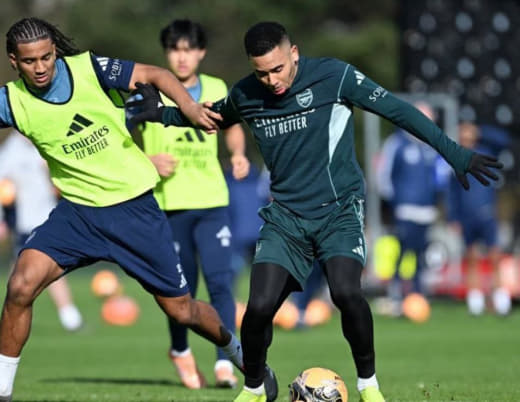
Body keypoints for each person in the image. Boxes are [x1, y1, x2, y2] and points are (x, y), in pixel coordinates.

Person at [128, 21, 502, 402]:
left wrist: (454, 153)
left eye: (278, 69)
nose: (272, 80)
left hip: (338, 212)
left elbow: (398, 111)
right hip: (285, 219)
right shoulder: (245, 93)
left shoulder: (334, 77)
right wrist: (161, 114)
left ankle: (368, 386)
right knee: (258, 309)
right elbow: (211, 117)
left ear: (294, 53)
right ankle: (255, 389)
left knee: (346, 293)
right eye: (262, 73)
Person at [0, 17, 280, 402]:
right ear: (14, 61)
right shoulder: (11, 101)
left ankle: (240, 355)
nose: (41, 67)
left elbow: (156, 75)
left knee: (182, 311)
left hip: (134, 211)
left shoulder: (89, 68)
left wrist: (189, 108)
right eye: (30, 61)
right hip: (78, 214)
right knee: (20, 285)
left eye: (47, 57)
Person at [140, 19, 249, 389]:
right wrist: (147, 160)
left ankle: (225, 361)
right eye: (174, 49)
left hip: (212, 202)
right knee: (179, 292)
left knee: (221, 283)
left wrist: (238, 153)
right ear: (166, 53)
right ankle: (181, 350)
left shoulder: (217, 87)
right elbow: (118, 135)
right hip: (169, 207)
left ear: (201, 52)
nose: (181, 57)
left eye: (188, 49)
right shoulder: (150, 89)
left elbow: (232, 125)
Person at [0, 130, 83, 331]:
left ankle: (69, 316)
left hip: (51, 217)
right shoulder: (11, 150)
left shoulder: (46, 140)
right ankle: (70, 317)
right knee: (33, 271)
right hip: (26, 223)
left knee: (33, 271)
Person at [377, 102, 443, 314]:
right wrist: (395, 202)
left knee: (421, 253)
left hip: (426, 211)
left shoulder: (432, 146)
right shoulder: (397, 143)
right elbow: (384, 176)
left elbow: (440, 178)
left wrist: (435, 200)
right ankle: (396, 294)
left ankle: (418, 293)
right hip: (405, 209)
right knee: (402, 251)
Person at [446, 123, 511, 316]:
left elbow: (504, 140)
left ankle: (500, 299)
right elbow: (452, 193)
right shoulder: (456, 159)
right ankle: (475, 301)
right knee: (472, 258)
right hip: (467, 216)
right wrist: (453, 217)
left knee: (495, 256)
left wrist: (482, 131)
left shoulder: (486, 153)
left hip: (487, 213)